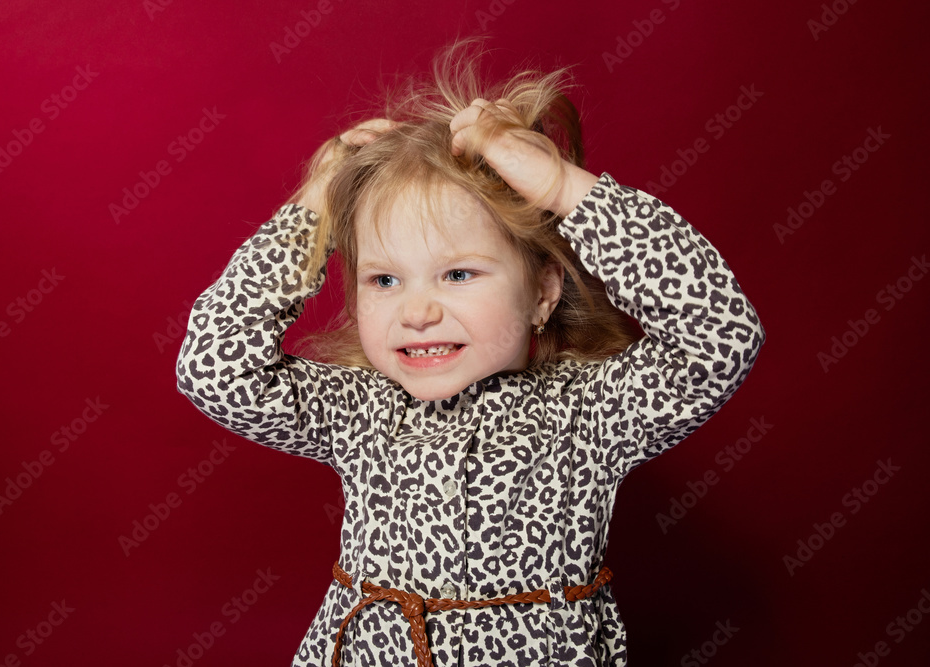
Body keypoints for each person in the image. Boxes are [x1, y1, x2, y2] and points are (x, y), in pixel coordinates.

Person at [176, 37, 764, 667]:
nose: (417, 311)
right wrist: (312, 212)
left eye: (457, 274)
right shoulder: (359, 409)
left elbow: (719, 332)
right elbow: (215, 369)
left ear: (542, 293)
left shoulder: (591, 411)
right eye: (384, 280)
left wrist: (564, 188)